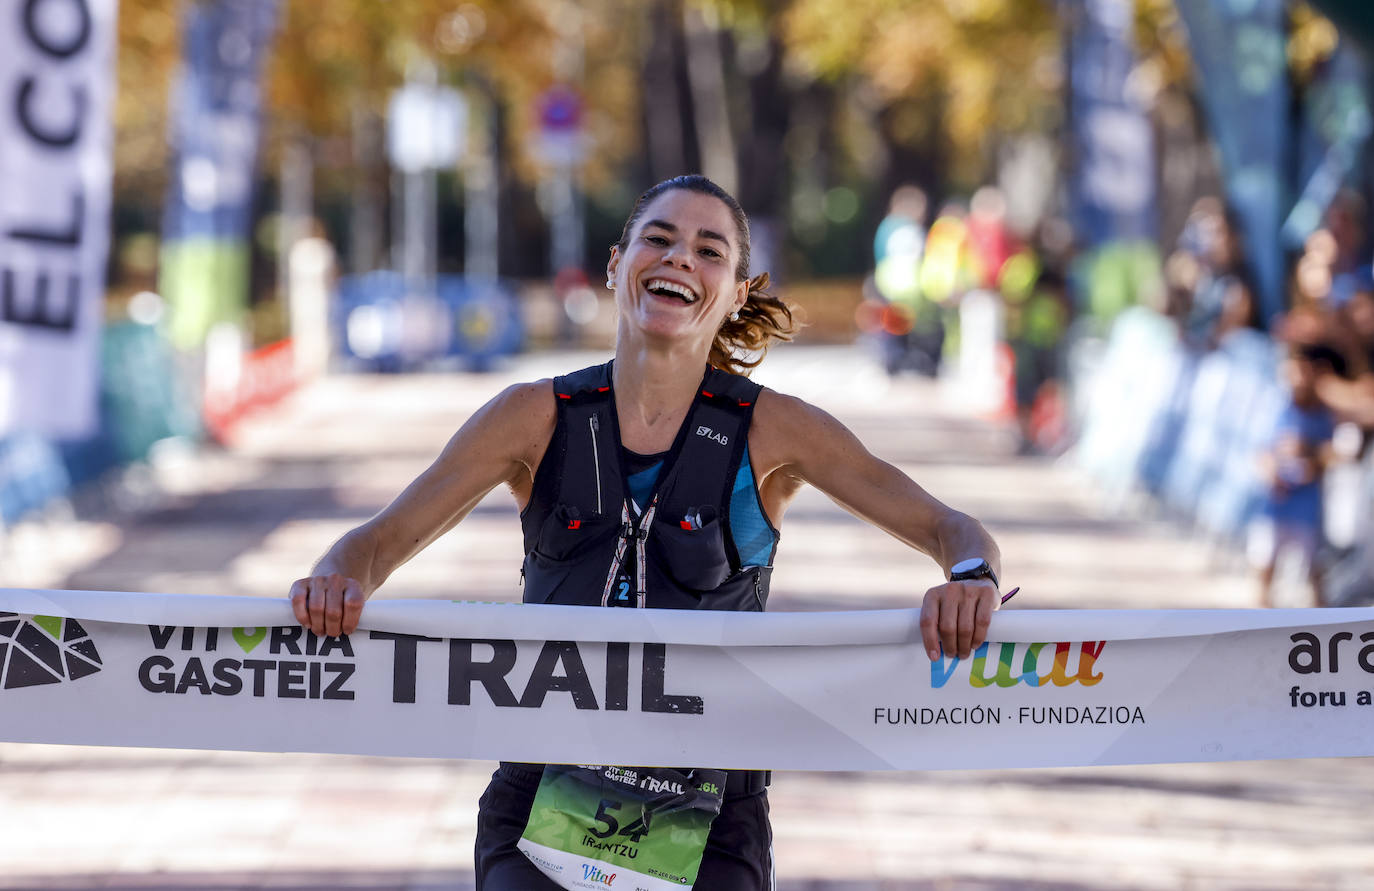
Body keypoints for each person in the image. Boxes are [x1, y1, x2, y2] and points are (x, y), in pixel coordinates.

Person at [287, 175, 1006, 890]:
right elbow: (373, 544)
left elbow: (954, 530)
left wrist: (969, 578)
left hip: (709, 816)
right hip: (541, 803)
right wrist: (336, 576)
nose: (678, 259)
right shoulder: (532, 417)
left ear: (736, 293)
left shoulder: (772, 430)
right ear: (615, 263)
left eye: (708, 250)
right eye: (658, 239)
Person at [1253, 344, 1338, 608]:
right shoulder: (1276, 408)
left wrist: (1311, 454)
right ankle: (1259, 622)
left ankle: (1324, 628)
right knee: (1265, 565)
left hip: (1307, 508)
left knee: (1313, 572)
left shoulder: (1324, 415)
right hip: (1276, 504)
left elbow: (1332, 455)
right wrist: (1270, 473)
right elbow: (1260, 451)